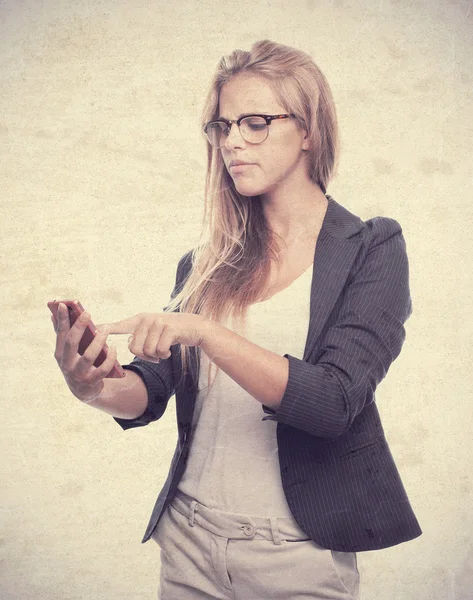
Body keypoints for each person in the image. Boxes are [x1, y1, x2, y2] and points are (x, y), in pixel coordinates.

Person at [50, 39, 422, 600]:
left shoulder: (372, 247)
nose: (232, 143)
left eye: (254, 123)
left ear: (310, 129)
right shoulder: (205, 264)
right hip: (189, 546)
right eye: (222, 127)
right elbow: (150, 392)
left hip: (296, 558)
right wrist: (94, 385)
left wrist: (205, 331)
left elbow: (334, 403)